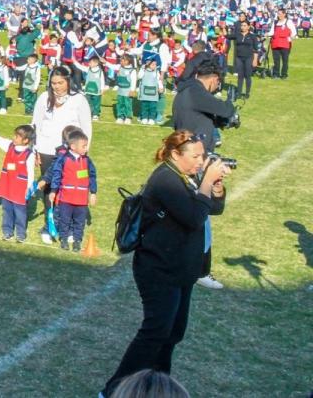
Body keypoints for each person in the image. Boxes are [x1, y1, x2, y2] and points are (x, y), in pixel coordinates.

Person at [103, 130, 229, 396]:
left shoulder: (187, 176)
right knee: (155, 331)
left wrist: (216, 188)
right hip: (159, 269)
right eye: (195, 156)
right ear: (175, 154)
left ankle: (158, 386)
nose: (200, 161)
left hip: (182, 269)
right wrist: (206, 182)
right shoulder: (165, 180)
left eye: (202, 155)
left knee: (173, 332)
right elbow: (194, 217)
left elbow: (212, 209)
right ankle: (114, 389)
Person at [31, 66, 92, 244]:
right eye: (53, 83)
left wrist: (84, 152)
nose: (56, 86)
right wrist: (34, 149)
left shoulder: (79, 100)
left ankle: (70, 227)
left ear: (68, 81)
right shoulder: (44, 98)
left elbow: (86, 127)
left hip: (70, 153)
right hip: (46, 149)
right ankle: (50, 226)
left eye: (60, 83)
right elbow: (35, 123)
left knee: (68, 189)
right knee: (49, 188)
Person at [171, 61, 235, 152]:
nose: (217, 87)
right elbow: (225, 110)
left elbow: (197, 115)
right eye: (218, 83)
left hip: (185, 146)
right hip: (195, 151)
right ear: (214, 79)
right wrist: (230, 101)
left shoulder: (188, 89)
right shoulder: (197, 92)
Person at [227, 21, 259, 98]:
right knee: (240, 76)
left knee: (248, 76)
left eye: (244, 25)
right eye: (242, 25)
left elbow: (255, 49)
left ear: (248, 27)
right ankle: (239, 92)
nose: (243, 27)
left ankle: (247, 93)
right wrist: (224, 28)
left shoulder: (252, 36)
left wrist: (255, 60)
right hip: (239, 58)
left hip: (249, 58)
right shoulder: (237, 35)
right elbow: (227, 36)